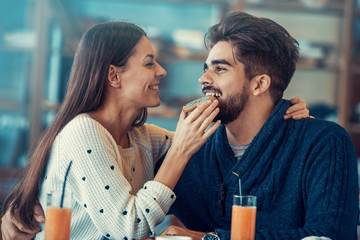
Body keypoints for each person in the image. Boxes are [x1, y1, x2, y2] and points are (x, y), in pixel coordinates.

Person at [1, 20, 310, 240]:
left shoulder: (142, 137)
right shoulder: (84, 131)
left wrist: (276, 111)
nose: (162, 71)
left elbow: (220, 153)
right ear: (114, 75)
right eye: (149, 63)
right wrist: (179, 152)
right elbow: (127, 228)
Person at [157, 12, 359, 240]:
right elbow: (130, 214)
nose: (203, 79)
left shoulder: (324, 143)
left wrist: (211, 238)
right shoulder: (189, 150)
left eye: (219, 69)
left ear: (260, 84)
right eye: (206, 68)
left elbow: (329, 235)